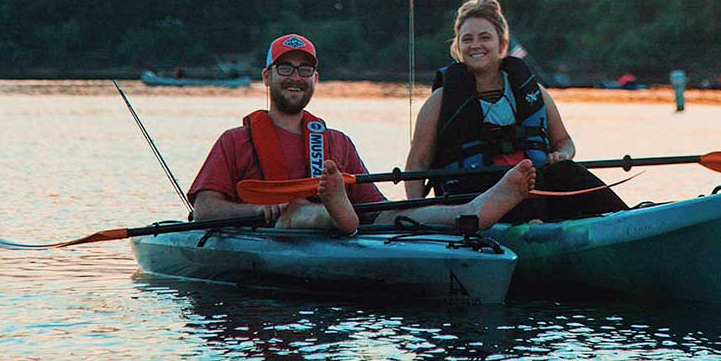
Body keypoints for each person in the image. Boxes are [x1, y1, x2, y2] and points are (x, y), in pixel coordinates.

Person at [188, 32, 536, 235]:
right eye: (285, 67)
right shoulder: (234, 140)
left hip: (344, 228)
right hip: (274, 233)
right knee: (299, 213)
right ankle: (328, 211)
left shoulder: (335, 142)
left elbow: (378, 212)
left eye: (305, 69)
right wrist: (256, 210)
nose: (295, 76)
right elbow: (204, 209)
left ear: (315, 79)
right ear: (267, 77)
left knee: (397, 212)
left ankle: (473, 208)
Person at [405, 0, 627, 223]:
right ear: (458, 46)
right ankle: (532, 225)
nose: (475, 45)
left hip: (534, 187)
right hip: (474, 197)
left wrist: (562, 154)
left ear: (501, 44)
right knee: (518, 180)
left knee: (565, 171)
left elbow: (564, 141)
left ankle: (626, 219)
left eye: (484, 37)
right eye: (467, 39)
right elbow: (417, 163)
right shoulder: (440, 100)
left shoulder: (533, 91)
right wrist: (415, 211)